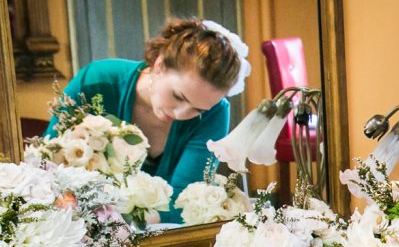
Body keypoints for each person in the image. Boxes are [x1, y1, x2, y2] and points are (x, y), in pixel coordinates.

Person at [45, 18, 251, 224]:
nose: (180, 114)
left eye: (197, 110)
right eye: (178, 96)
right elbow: (47, 166)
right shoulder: (96, 82)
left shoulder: (215, 112)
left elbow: (186, 202)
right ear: (159, 64)